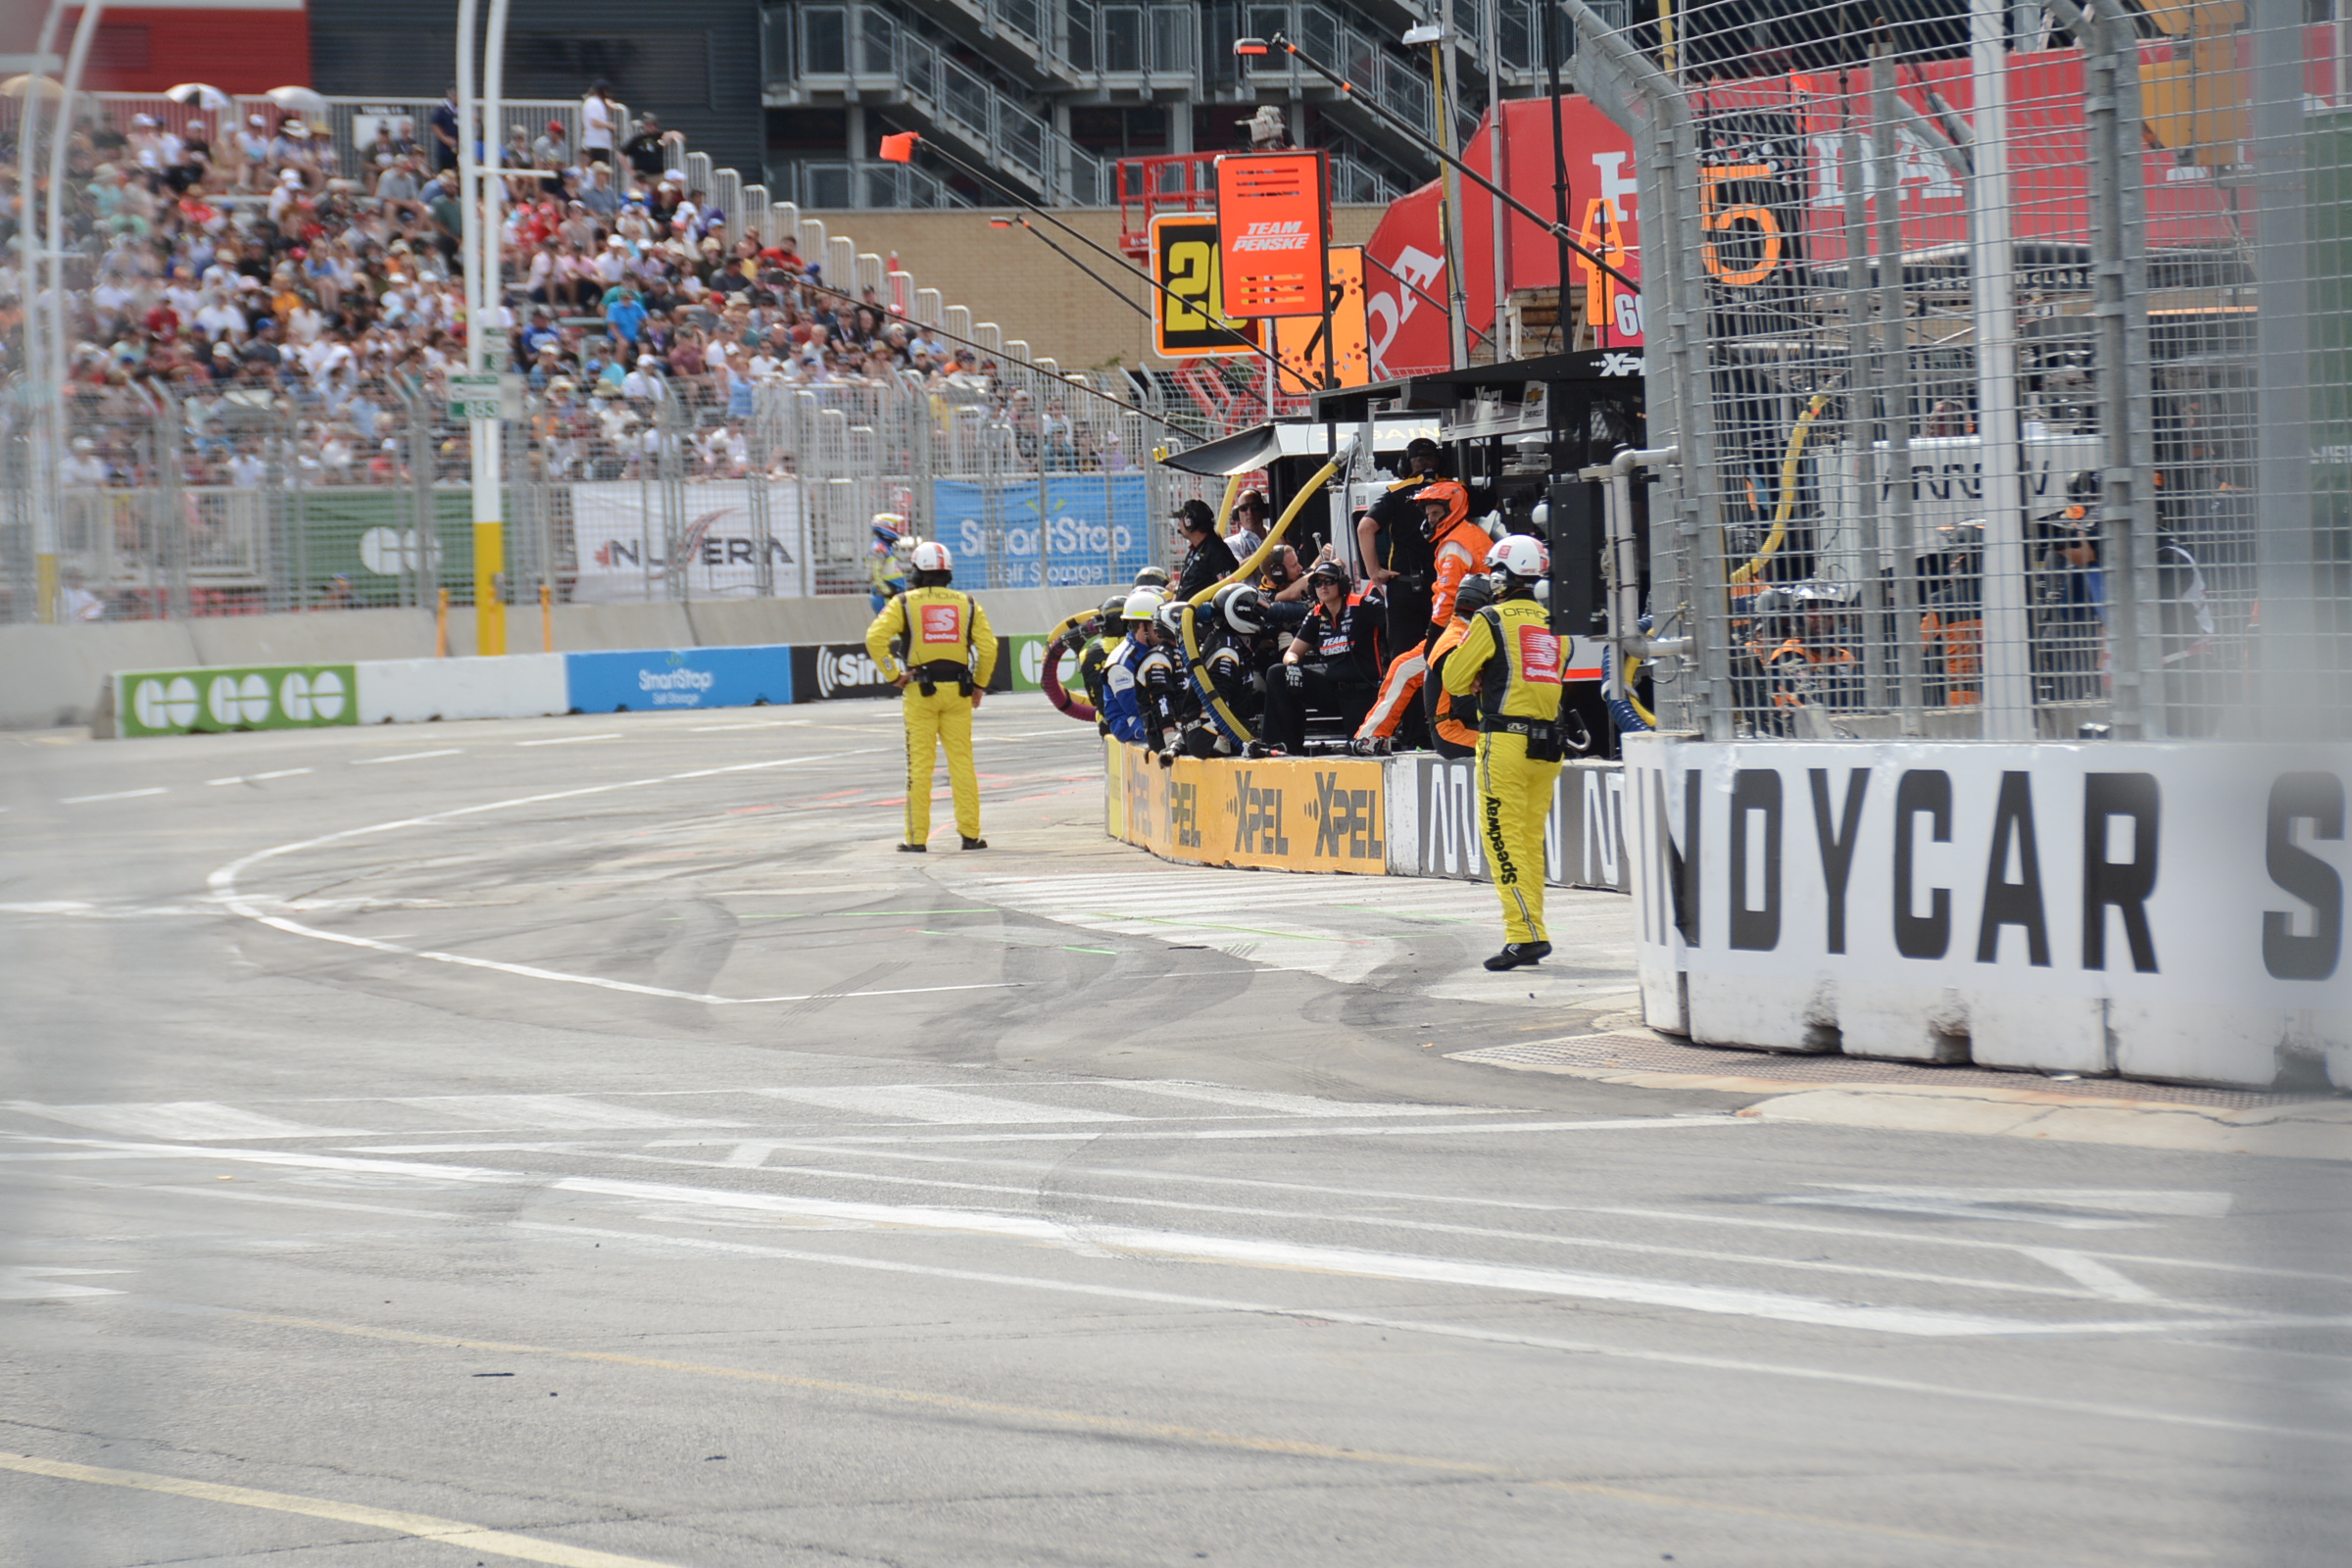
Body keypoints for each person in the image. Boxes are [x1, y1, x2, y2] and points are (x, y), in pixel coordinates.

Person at [1440, 536, 1569, 970]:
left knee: (1502, 839)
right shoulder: (1557, 622)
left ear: (1501, 576)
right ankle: (1533, 930)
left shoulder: (1489, 618)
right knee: (1529, 841)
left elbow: (1454, 678)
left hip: (1505, 743)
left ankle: (1523, 934)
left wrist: (1478, 671)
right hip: (1548, 745)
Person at [864, 541, 998, 853]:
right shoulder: (968, 603)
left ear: (916, 571)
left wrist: (893, 675)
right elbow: (989, 648)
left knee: (920, 766)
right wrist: (979, 685)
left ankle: (916, 839)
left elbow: (875, 638)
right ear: (947, 572)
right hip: (959, 691)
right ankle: (970, 836)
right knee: (962, 762)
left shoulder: (903, 602)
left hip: (920, 692)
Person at [1356, 477, 1490, 749]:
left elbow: (1447, 598)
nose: (1430, 520)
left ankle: (1368, 738)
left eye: (1435, 513)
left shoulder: (1455, 545)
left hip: (1462, 632)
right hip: (1480, 630)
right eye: (1428, 514)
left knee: (1403, 669)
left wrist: (1433, 637)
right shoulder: (1473, 535)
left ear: (1453, 509)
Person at [1258, 560, 1379, 754]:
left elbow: (1396, 631)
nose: (1323, 587)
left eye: (1329, 581)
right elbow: (1291, 653)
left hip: (1363, 693)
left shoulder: (1363, 605)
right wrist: (1293, 665)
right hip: (1333, 691)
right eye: (1318, 583)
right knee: (1278, 674)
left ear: (1342, 584)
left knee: (1360, 753)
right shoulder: (1316, 614)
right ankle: (1281, 747)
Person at [1171, 497, 1240, 603]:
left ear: (1189, 522)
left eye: (1180, 519)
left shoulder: (1217, 552)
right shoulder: (1196, 549)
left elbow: (1227, 591)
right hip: (1185, 610)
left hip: (1200, 611)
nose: (1178, 524)